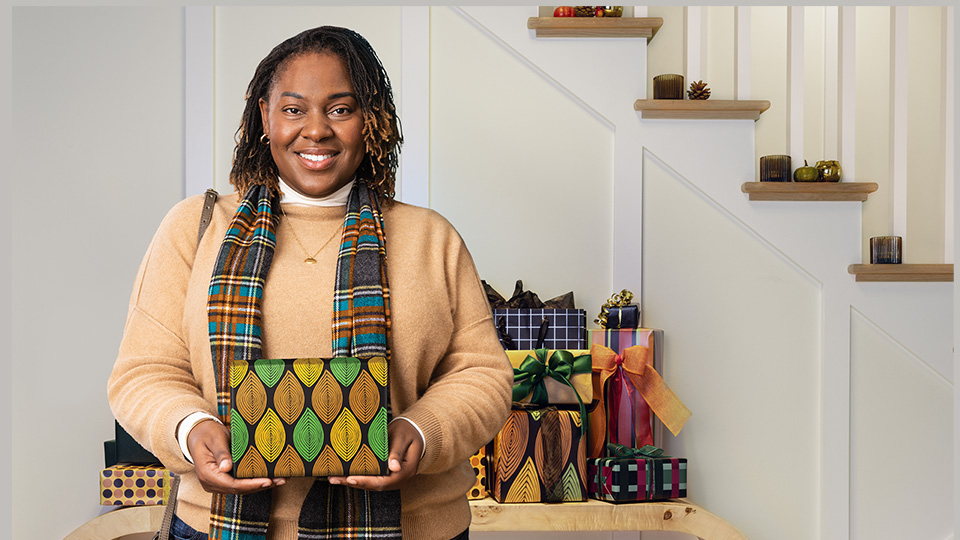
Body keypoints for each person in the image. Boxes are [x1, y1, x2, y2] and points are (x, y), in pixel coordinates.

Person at [108, 25, 513, 540]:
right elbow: (142, 371)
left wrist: (420, 431)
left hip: (415, 527)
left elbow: (483, 373)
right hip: (218, 526)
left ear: (372, 121)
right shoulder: (196, 228)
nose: (316, 130)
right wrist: (191, 430)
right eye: (294, 109)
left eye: (340, 109)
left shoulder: (429, 236)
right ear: (265, 116)